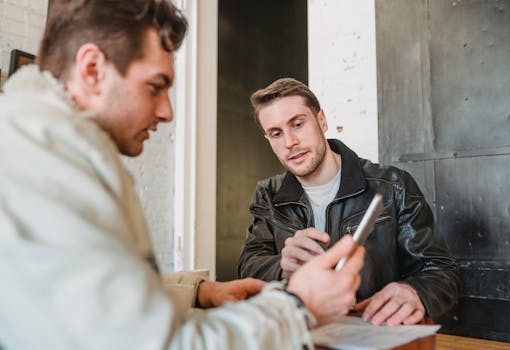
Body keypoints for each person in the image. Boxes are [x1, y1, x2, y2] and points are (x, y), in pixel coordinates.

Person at [0, 1, 365, 349]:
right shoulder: (47, 168)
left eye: (298, 124)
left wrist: (196, 292)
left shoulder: (41, 144)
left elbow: (90, 299)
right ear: (92, 70)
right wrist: (297, 309)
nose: (167, 112)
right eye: (155, 86)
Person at [237, 77, 460, 326]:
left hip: (373, 330)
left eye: (298, 124)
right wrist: (282, 267)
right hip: (300, 333)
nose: (289, 143)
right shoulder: (268, 193)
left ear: (322, 120)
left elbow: (440, 271)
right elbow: (248, 266)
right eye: (276, 133)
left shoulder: (393, 185)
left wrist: (416, 292)